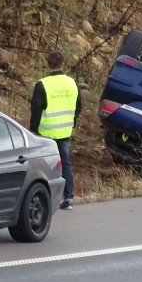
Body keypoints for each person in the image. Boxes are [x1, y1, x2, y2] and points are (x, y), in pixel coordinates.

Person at [30, 51, 82, 210]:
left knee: (44, 167)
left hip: (46, 134)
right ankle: (69, 198)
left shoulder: (42, 84)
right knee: (65, 164)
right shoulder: (72, 83)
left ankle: (46, 198)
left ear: (48, 64)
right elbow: (79, 105)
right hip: (65, 131)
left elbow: (36, 111)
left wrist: (32, 132)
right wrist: (72, 122)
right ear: (63, 64)